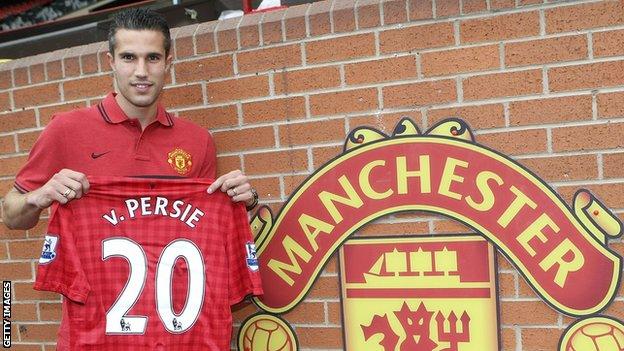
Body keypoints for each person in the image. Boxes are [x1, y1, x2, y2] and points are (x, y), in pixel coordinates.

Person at [2, 8, 258, 229]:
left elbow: (204, 224)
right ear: (111, 62)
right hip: (90, 286)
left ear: (168, 63)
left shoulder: (198, 140)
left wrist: (243, 204)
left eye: (153, 58)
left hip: (175, 284)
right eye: (128, 57)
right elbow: (11, 216)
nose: (141, 72)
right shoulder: (66, 129)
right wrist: (38, 197)